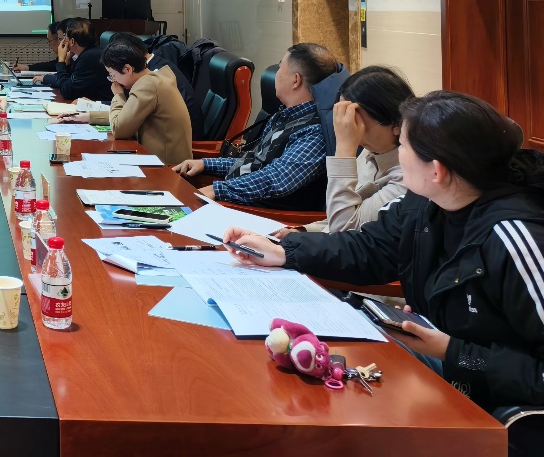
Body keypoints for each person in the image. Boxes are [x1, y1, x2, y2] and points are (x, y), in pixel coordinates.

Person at [224, 91, 544, 415]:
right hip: (449, 371)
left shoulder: (516, 239)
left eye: (402, 145)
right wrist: (284, 251)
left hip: (497, 408)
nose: (398, 154)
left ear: (436, 171)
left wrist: (453, 352)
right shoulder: (424, 203)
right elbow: (369, 248)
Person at [173, 42, 339, 209]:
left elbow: (276, 179)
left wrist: (216, 190)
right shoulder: (285, 115)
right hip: (235, 199)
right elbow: (253, 162)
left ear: (295, 80)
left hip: (259, 213)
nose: (276, 74)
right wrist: (206, 164)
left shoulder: (314, 131)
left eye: (280, 68)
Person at [286, 65, 412, 234]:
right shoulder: (373, 150)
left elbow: (345, 232)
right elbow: (342, 212)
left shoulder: (408, 178)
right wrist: (303, 231)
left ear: (396, 123)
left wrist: (344, 150)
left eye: (359, 123)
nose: (352, 131)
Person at [54, 33, 192, 165]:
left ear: (128, 69)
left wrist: (118, 95)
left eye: (112, 75)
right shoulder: (153, 78)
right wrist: (87, 117)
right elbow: (127, 115)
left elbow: (119, 129)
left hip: (166, 166)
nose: (113, 81)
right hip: (156, 158)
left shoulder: (147, 86)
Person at [34, 17, 110, 103]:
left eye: (65, 38)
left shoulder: (88, 57)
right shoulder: (89, 53)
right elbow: (69, 81)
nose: (63, 41)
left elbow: (67, 92)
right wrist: (66, 61)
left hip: (104, 107)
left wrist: (61, 61)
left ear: (72, 41)